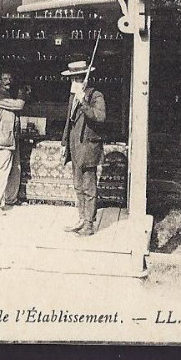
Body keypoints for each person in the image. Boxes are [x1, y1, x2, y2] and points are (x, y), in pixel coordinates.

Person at [60, 58, 107, 236]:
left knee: (89, 187)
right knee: (78, 185)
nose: (73, 82)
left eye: (77, 79)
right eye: (72, 79)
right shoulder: (72, 97)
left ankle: (89, 223)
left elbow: (100, 117)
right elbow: (69, 123)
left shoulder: (95, 96)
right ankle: (81, 218)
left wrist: (84, 104)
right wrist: (64, 143)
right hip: (74, 147)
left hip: (88, 147)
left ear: (84, 79)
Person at [0, 70, 30, 211]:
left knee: (15, 169)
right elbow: (19, 105)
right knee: (2, 170)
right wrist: (22, 91)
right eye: (5, 78)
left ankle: (11, 199)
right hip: (4, 138)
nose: (8, 81)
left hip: (12, 137)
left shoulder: (6, 94)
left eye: (10, 78)